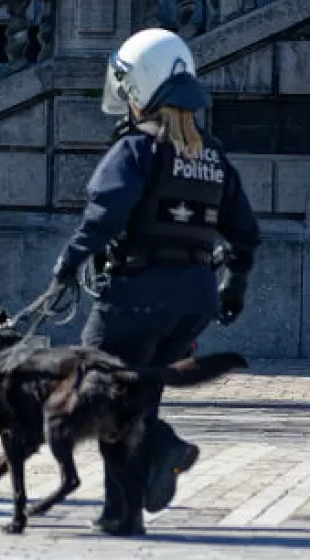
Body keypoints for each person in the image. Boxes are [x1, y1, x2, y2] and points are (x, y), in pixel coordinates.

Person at [47, 27, 261, 535]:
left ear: (140, 89)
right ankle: (124, 516)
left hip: (137, 294)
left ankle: (164, 447)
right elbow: (246, 234)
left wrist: (66, 266)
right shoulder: (213, 155)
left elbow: (104, 215)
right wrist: (235, 285)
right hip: (193, 299)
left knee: (94, 392)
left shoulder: (136, 150)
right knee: (136, 396)